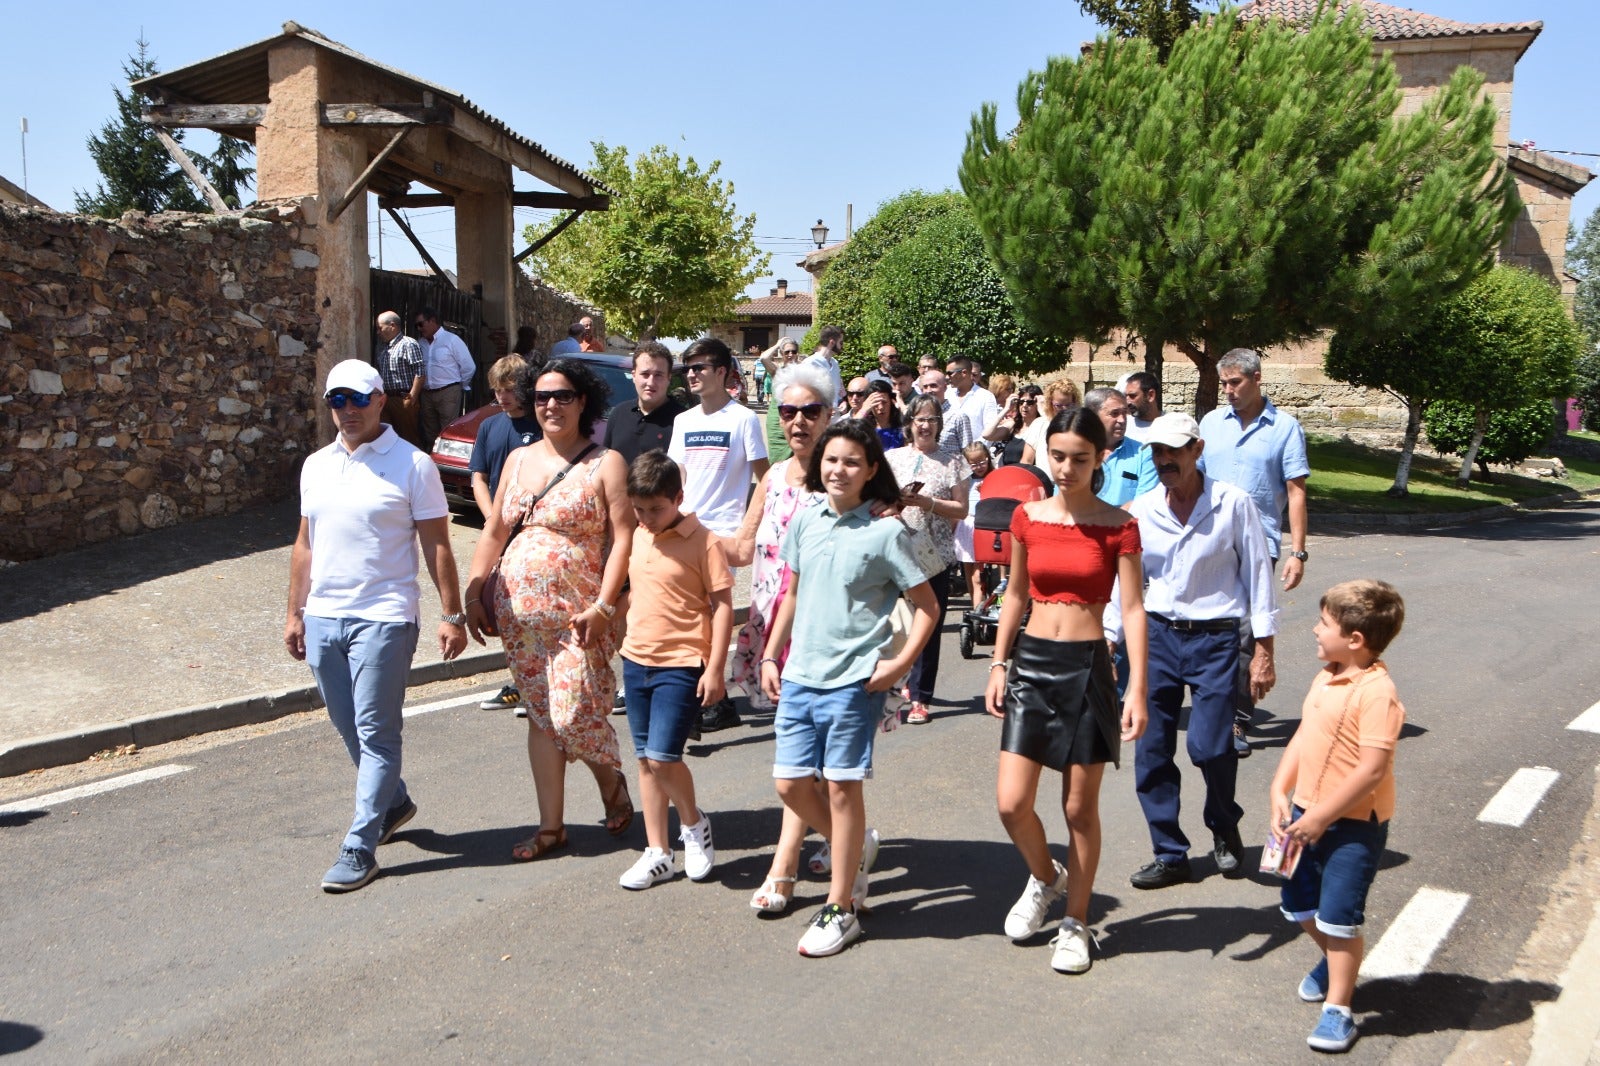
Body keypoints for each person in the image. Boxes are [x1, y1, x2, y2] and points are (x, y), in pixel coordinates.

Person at [284, 359, 467, 892]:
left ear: (380, 399)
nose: (347, 411)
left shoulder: (413, 465)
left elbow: (437, 544)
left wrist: (451, 614)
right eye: (336, 401)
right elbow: (304, 544)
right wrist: (294, 612)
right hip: (323, 615)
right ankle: (394, 802)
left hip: (385, 616)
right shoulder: (315, 465)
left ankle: (359, 846)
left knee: (376, 732)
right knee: (348, 728)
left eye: (357, 400)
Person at [760, 420, 940, 957]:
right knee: (791, 785)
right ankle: (854, 849)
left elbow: (929, 607)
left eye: (851, 463)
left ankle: (841, 906)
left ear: (870, 472)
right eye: (831, 460)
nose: (838, 470)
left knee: (842, 788)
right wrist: (772, 652)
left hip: (852, 680)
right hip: (798, 675)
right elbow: (791, 591)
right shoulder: (806, 516)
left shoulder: (887, 532)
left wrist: (899, 667)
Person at [984, 407, 1147, 973]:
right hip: (1032, 662)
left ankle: (1076, 923)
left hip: (1087, 667)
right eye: (1058, 456)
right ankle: (1044, 878)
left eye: (1081, 457)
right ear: (1046, 453)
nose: (1068, 467)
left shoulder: (1119, 524)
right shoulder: (1027, 517)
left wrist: (1137, 689)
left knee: (1079, 807)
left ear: (1100, 457)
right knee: (1011, 803)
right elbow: (1014, 595)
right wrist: (999, 662)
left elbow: (1131, 609)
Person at [462, 359, 635, 862]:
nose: (550, 405)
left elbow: (624, 537)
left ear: (584, 402)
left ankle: (612, 783)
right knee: (541, 716)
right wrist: (474, 594)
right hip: (519, 619)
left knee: (575, 713)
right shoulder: (516, 461)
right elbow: (495, 531)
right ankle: (551, 827)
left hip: (580, 615)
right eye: (541, 397)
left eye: (562, 396)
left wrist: (607, 605)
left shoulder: (606, 463)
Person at [1107, 412, 1278, 890]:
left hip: (1216, 638)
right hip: (1156, 637)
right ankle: (1170, 852)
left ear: (1197, 451)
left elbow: (1258, 577)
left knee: (1210, 745)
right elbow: (1127, 583)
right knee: (1152, 748)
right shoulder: (1141, 510)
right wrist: (1109, 633)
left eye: (1173, 452)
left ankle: (1224, 823)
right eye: (1157, 452)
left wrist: (1264, 649)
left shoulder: (1232, 504)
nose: (1164, 461)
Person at [1269, 579, 1406, 1054]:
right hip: (1304, 814)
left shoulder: (1377, 692)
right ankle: (1333, 962)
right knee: (1295, 899)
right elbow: (1305, 735)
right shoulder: (1325, 675)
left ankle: (1339, 1009)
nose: (1313, 630)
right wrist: (1278, 790)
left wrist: (1321, 817)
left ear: (1356, 639)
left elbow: (1372, 770)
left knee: (1340, 916)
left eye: (1323, 624)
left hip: (1351, 825)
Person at [725, 364, 835, 913]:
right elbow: (743, 549)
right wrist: (671, 532)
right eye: (787, 412)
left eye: (809, 411)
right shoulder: (771, 480)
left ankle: (783, 869)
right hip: (773, 634)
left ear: (829, 415)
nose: (797, 422)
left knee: (797, 763)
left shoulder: (846, 476)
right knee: (802, 759)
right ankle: (848, 838)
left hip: (825, 635)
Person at [616, 451, 734, 890]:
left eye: (656, 508)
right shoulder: (639, 535)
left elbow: (723, 606)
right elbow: (635, 592)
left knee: (665, 757)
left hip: (681, 662)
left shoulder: (703, 542)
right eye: (639, 509)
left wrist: (715, 667)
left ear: (678, 498)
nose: (646, 517)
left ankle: (693, 825)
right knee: (646, 761)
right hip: (636, 659)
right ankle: (657, 853)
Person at [1199, 347, 1311, 757]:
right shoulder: (1210, 423)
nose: (1227, 390)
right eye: (1224, 383)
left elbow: (1297, 492)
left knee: (1247, 630)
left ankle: (1236, 720)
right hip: (1208, 538)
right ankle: (1212, 707)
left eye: (1235, 383)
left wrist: (1298, 552)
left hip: (1258, 544)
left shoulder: (1284, 428)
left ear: (1257, 378)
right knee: (1208, 626)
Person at [668, 337, 770, 733]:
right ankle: (712, 698)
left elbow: (765, 479)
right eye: (688, 368)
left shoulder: (742, 419)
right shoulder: (684, 421)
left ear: (723, 372)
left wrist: (751, 531)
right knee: (693, 618)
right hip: (686, 530)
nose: (692, 374)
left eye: (700, 367)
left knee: (711, 616)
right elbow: (677, 476)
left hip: (723, 533)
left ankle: (714, 699)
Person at [887, 396, 973, 725]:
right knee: (893, 622)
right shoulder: (892, 458)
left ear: (939, 424)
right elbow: (876, 498)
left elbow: (961, 509)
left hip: (933, 554)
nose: (925, 425)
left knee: (928, 626)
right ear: (909, 423)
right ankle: (894, 682)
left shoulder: (953, 461)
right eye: (919, 419)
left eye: (931, 419)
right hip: (894, 550)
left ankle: (921, 697)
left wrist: (927, 502)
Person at [471, 357, 546, 715]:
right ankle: (520, 680)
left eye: (510, 389)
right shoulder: (488, 426)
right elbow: (479, 478)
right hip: (500, 530)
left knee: (537, 609)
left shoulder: (543, 422)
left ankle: (536, 682)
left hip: (534, 532)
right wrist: (492, 519)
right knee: (506, 611)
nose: (502, 397)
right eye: (497, 390)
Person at [604, 342, 687, 464]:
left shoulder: (683, 421)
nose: (651, 382)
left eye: (658, 375)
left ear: (669, 378)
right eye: (645, 374)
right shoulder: (618, 413)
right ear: (633, 376)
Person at [415, 307, 478, 454]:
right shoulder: (421, 343)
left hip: (448, 392)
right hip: (427, 394)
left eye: (421, 324)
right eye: (416, 325)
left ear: (432, 321)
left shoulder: (452, 340)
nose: (419, 328)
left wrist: (459, 386)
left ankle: (446, 464)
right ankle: (433, 463)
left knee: (448, 430)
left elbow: (469, 366)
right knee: (430, 432)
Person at [1083, 387, 1158, 507]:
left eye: (1125, 413)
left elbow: (1143, 505)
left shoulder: (1144, 454)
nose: (1122, 420)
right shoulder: (1075, 453)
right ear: (1092, 416)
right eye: (1115, 414)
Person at [374, 311, 425, 447]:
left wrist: (412, 397)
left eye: (380, 328)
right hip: (386, 399)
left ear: (392, 326)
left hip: (403, 398)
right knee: (387, 437)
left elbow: (420, 371)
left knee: (408, 437)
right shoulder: (382, 347)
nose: (378, 332)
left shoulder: (408, 344)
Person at [955, 442, 992, 607]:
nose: (979, 467)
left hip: (983, 525)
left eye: (982, 462)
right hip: (966, 526)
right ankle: (974, 606)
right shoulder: (965, 481)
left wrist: (986, 490)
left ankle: (978, 611)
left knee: (978, 576)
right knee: (968, 573)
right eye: (974, 463)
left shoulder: (994, 477)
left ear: (988, 458)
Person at [1019, 378, 1083, 469]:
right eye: (1058, 406)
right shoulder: (1039, 424)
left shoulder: (1080, 426)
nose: (1064, 409)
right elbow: (1026, 461)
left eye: (1068, 405)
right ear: (1050, 403)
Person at [761, 339, 803, 463]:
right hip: (777, 418)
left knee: (796, 453)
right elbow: (764, 358)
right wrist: (778, 344)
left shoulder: (803, 372)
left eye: (793, 351)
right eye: (787, 352)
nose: (790, 354)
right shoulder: (776, 372)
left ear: (797, 353)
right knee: (777, 457)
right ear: (782, 354)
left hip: (795, 416)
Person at [916, 370, 976, 453]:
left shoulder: (958, 417)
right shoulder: (918, 418)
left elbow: (969, 453)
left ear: (945, 387)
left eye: (933, 386)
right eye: (925, 387)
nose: (929, 390)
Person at [946, 356, 1000, 438]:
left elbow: (990, 429)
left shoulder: (985, 397)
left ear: (964, 373)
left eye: (950, 373)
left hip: (975, 449)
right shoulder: (946, 393)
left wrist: (977, 450)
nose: (947, 377)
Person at [997, 384, 1044, 466]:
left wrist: (1043, 411)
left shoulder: (1041, 427)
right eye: (1021, 402)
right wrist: (1006, 409)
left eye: (1030, 402)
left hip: (1026, 474)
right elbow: (986, 434)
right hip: (1006, 473)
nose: (1024, 406)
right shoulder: (1013, 424)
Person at [804, 324, 845, 406]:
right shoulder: (810, 363)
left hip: (834, 416)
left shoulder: (835, 364)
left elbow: (838, 393)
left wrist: (842, 402)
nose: (842, 346)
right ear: (832, 342)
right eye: (841, 342)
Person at [863, 379, 905, 451]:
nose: (881, 407)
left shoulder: (901, 427)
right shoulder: (865, 429)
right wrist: (864, 409)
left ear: (891, 402)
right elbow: (848, 432)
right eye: (876, 403)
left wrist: (902, 406)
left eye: (884, 402)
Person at [1122, 371, 1163, 443]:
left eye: (1132, 396)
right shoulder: (1123, 426)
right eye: (1126, 396)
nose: (1127, 401)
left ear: (1150, 395)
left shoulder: (1171, 424)